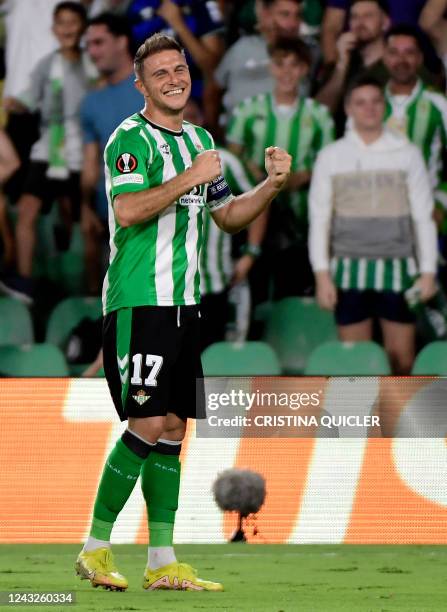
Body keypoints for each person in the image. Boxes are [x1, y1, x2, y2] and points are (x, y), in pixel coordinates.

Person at [75, 33, 291, 591]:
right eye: (161, 72)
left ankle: (161, 561)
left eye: (180, 69)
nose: (174, 78)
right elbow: (126, 209)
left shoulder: (200, 139)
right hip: (139, 301)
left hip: (186, 306)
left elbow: (226, 216)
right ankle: (95, 548)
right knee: (146, 422)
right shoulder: (129, 139)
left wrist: (269, 186)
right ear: (141, 84)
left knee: (172, 427)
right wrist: (187, 180)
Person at [309, 76, 438, 375]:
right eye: (360, 102)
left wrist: (428, 272)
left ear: (385, 107)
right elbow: (320, 219)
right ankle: (361, 423)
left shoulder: (407, 153)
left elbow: (423, 215)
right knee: (356, 367)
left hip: (398, 269)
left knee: (402, 363)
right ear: (348, 108)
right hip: (347, 270)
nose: (369, 108)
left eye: (375, 101)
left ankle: (397, 423)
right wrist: (322, 276)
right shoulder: (331, 156)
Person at [227, 37, 334, 300]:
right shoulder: (247, 110)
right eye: (280, 64)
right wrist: (252, 171)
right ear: (271, 68)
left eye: (294, 65)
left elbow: (330, 165)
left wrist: (305, 175)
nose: (287, 72)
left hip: (302, 220)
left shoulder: (319, 115)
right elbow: (230, 162)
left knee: (294, 290)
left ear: (304, 69)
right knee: (257, 290)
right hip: (255, 216)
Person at [0, 1, 92, 304]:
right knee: (26, 210)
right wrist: (17, 103)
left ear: (82, 28)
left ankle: (92, 292)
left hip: (83, 154)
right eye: (61, 23)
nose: (66, 29)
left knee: (80, 219)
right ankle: (25, 283)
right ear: (53, 29)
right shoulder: (45, 65)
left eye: (72, 23)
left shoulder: (91, 65)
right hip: (49, 150)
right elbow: (29, 95)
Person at [80, 13, 143, 294]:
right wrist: (85, 207)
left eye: (99, 43)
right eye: (89, 45)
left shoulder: (153, 88)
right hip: (110, 217)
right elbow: (90, 163)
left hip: (156, 214)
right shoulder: (90, 102)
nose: (92, 52)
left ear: (121, 41)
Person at [208, 0, 304, 131]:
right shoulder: (242, 48)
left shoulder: (310, 53)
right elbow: (213, 90)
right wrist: (213, 132)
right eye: (285, 15)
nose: (293, 24)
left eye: (298, 15)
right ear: (266, 15)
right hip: (237, 139)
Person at [382, 25, 447, 197]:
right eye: (394, 53)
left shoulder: (439, 103)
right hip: (377, 209)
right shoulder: (369, 103)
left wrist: (442, 202)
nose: (401, 60)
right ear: (384, 58)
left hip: (426, 206)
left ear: (419, 58)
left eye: (409, 53)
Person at [317, 0, 391, 127]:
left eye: (368, 16)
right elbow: (318, 113)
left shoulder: (396, 66)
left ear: (385, 23)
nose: (360, 23)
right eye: (354, 17)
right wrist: (341, 66)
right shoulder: (340, 63)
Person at [321, 0, 427, 65]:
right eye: (355, 17)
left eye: (368, 16)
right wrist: (334, 70)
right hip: (354, 63)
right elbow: (331, 29)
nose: (361, 21)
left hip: (411, 59)